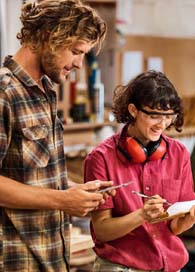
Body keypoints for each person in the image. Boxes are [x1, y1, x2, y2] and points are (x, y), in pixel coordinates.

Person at [0, 0, 115, 271]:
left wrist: (75, 191)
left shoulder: (47, 91)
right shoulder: (5, 93)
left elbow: (32, 177)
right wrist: (62, 200)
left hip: (51, 253)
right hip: (15, 258)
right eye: (75, 52)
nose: (78, 64)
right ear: (47, 38)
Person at [84, 70, 195, 272]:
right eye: (154, 115)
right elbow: (102, 230)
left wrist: (190, 219)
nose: (162, 124)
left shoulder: (179, 154)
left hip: (169, 265)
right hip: (121, 267)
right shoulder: (101, 158)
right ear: (133, 110)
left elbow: (174, 228)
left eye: (168, 116)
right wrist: (142, 215)